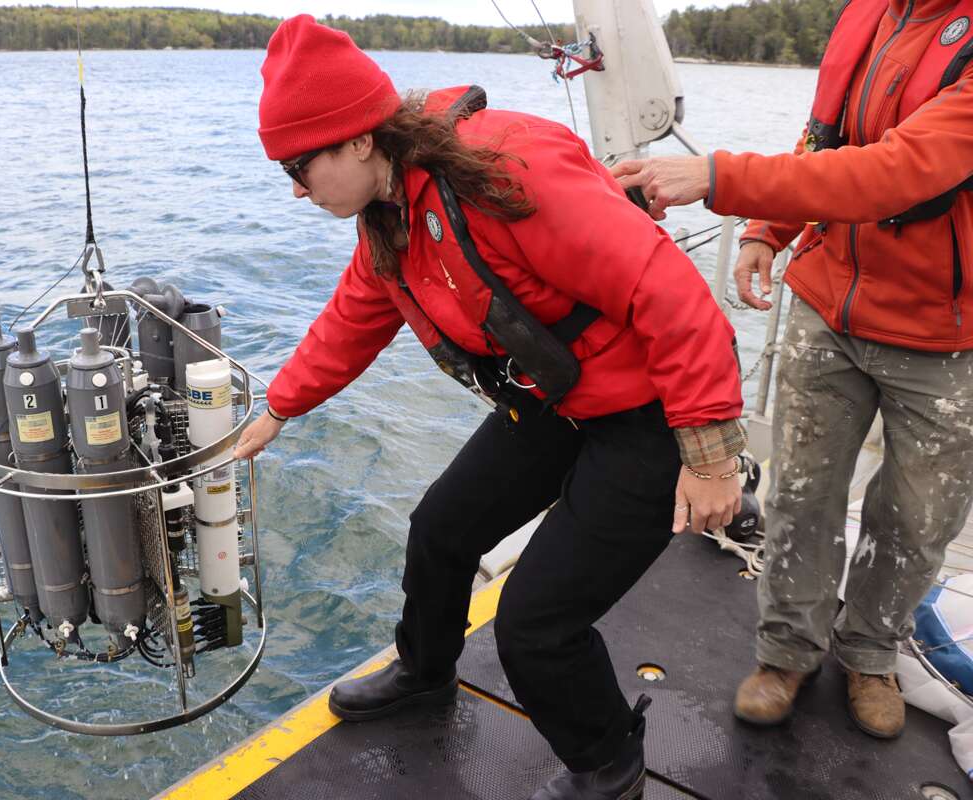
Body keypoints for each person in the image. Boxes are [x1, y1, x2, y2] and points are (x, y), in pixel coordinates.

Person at [234, 15, 746, 800]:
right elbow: (352, 321)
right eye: (280, 172)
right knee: (441, 530)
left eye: (300, 166)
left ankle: (608, 764)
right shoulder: (390, 214)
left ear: (361, 139)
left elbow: (668, 291)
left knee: (535, 625)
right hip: (560, 398)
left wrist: (709, 456)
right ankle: (424, 672)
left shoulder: (505, 169)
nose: (296, 189)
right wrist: (275, 409)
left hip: (647, 413)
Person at [611, 0, 973, 741]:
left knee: (916, 517)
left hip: (948, 335)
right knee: (803, 491)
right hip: (825, 307)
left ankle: (870, 655)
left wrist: (715, 175)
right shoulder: (868, 13)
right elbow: (824, 138)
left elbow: (899, 170)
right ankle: (786, 652)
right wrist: (767, 232)